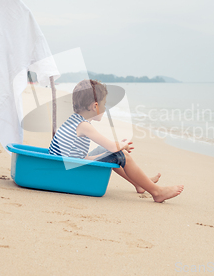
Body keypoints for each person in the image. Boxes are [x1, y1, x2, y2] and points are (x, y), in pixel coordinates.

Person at [49, 79, 184, 203]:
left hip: (66, 168)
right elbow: (113, 148)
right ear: (95, 106)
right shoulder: (84, 126)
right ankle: (157, 192)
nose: (105, 108)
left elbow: (81, 156)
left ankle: (139, 183)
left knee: (109, 152)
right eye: (104, 104)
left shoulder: (73, 121)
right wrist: (121, 146)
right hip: (70, 174)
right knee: (121, 155)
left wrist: (115, 147)